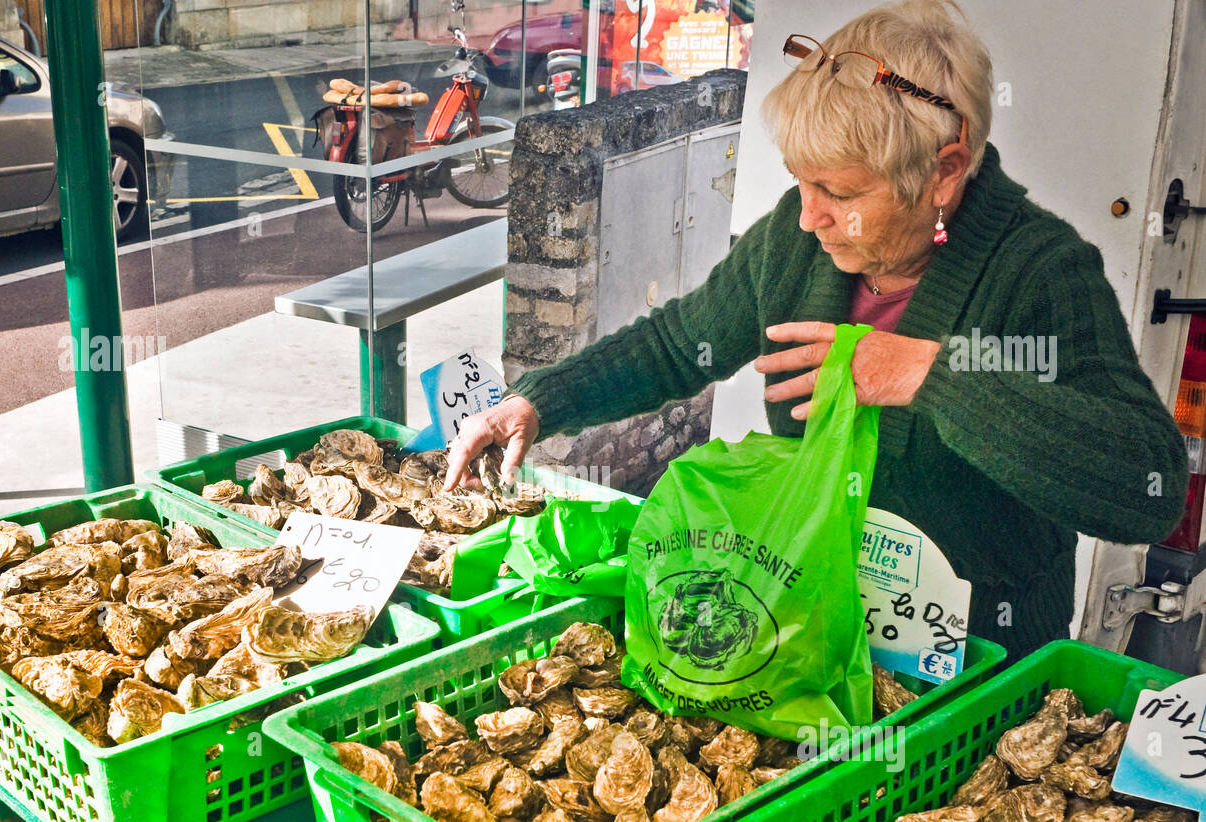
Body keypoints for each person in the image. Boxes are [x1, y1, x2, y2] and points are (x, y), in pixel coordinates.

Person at [444, 0, 1187, 662]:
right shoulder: (797, 246)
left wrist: (931, 376)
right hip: (813, 634)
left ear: (944, 171)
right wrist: (538, 401)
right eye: (803, 181)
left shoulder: (1042, 272)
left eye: (839, 191)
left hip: (979, 661)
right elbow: (680, 342)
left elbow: (1146, 488)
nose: (807, 215)